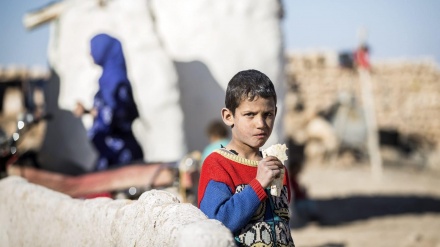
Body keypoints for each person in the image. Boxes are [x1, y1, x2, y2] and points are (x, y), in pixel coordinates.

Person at [198, 69, 295, 246]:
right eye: (250, 114)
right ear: (229, 117)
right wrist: (258, 185)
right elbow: (216, 223)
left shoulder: (275, 166)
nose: (261, 124)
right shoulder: (218, 164)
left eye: (268, 114)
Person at [74, 33, 143, 171]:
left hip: (122, 156)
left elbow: (119, 113)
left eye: (94, 48)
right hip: (111, 154)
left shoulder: (116, 80)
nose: (90, 53)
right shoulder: (107, 80)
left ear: (104, 49)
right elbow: (109, 110)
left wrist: (103, 118)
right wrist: (89, 111)